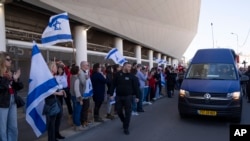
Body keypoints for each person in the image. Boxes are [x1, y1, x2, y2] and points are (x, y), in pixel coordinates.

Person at [110, 62, 139, 135]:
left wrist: (137, 96)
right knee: (119, 110)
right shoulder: (117, 74)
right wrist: (111, 94)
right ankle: (124, 121)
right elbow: (113, 84)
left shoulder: (132, 76)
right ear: (124, 67)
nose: (130, 68)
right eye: (128, 67)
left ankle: (126, 127)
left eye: (130, 67)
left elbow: (136, 87)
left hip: (128, 97)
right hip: (119, 96)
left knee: (128, 112)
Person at [0, 52, 23, 141]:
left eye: (11, 60)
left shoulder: (11, 72)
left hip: (12, 101)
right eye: (8, 59)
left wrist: (16, 79)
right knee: (2, 129)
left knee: (13, 127)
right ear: (2, 60)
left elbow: (20, 86)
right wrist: (9, 78)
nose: (10, 61)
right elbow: (1, 87)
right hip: (2, 103)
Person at [44, 61, 66, 141]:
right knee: (52, 121)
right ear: (51, 68)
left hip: (55, 99)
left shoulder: (53, 77)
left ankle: (56, 134)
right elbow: (46, 90)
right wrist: (57, 93)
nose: (57, 68)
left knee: (59, 116)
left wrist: (61, 91)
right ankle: (52, 138)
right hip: (50, 100)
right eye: (55, 67)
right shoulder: (47, 77)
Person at [70, 65, 84, 131]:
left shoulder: (72, 77)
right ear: (77, 71)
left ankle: (75, 124)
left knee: (75, 111)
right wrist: (80, 99)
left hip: (73, 96)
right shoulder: (77, 79)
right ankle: (78, 125)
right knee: (78, 111)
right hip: (77, 97)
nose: (79, 71)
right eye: (79, 70)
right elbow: (77, 90)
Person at [79, 61, 91, 127]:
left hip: (86, 92)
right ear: (83, 65)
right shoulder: (81, 73)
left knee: (86, 107)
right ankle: (83, 121)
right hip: (83, 93)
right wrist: (86, 78)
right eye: (87, 65)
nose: (88, 66)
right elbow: (82, 83)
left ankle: (85, 120)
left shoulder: (85, 72)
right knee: (84, 108)